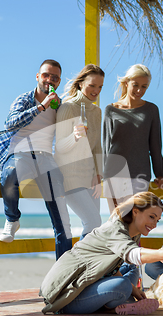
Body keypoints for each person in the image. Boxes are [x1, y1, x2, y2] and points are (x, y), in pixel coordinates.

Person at [0, 59, 72, 259]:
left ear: (59, 81)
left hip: (46, 158)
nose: (49, 80)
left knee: (62, 219)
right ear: (37, 76)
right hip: (20, 153)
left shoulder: (60, 106)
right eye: (46, 75)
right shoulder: (25, 98)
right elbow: (10, 123)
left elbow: (63, 137)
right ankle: (12, 219)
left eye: (55, 77)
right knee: (9, 175)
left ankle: (64, 271)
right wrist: (40, 107)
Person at [39, 192, 163, 315]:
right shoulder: (115, 229)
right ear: (135, 212)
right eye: (151, 217)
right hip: (66, 296)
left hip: (88, 280)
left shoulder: (133, 232)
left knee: (131, 269)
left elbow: (111, 267)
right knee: (122, 285)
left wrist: (135, 290)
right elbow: (134, 254)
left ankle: (122, 300)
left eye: (158, 220)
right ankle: (120, 304)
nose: (154, 224)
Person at [103, 64, 163, 212]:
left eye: (144, 87)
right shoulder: (110, 110)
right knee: (116, 222)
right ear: (127, 82)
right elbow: (106, 145)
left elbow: (156, 146)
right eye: (135, 85)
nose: (139, 90)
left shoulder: (151, 110)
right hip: (114, 174)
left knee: (135, 222)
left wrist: (160, 174)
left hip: (140, 174)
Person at [54, 64, 104, 239]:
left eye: (100, 87)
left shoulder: (97, 111)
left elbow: (97, 147)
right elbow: (59, 147)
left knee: (94, 229)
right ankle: (76, 263)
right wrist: (74, 137)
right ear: (81, 83)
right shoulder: (67, 108)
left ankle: (89, 266)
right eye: (92, 85)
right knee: (93, 222)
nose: (96, 90)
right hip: (69, 176)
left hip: (90, 177)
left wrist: (99, 174)